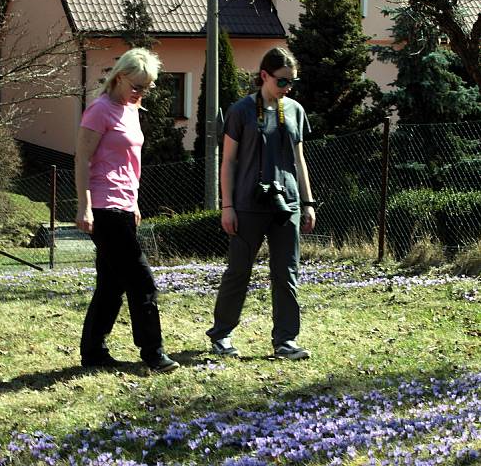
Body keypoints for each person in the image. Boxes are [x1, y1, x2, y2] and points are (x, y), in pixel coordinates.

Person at [206, 47, 316, 360]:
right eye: (282, 81)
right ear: (264, 76)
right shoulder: (240, 111)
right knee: (238, 271)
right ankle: (221, 334)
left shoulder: (294, 109)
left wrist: (307, 202)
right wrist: (227, 206)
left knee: (287, 272)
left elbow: (299, 158)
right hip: (247, 205)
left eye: (292, 82)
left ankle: (285, 341)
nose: (287, 88)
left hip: (287, 204)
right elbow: (228, 161)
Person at [75, 48, 179, 372]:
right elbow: (81, 159)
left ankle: (93, 352)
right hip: (104, 208)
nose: (141, 92)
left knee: (111, 284)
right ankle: (153, 353)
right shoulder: (99, 110)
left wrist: (134, 203)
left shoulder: (131, 109)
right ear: (119, 77)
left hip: (124, 205)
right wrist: (85, 206)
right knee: (141, 280)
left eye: (146, 87)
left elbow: (130, 164)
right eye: (136, 86)